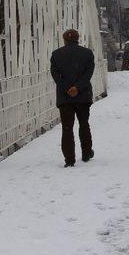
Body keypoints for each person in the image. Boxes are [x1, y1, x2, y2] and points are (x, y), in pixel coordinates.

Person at [50, 29, 95, 167]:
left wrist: (67, 88)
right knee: (84, 123)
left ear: (64, 40)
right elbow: (88, 73)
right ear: (78, 38)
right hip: (82, 96)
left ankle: (69, 159)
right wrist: (78, 87)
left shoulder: (56, 54)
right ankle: (86, 153)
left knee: (67, 128)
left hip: (65, 98)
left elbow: (55, 74)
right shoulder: (87, 53)